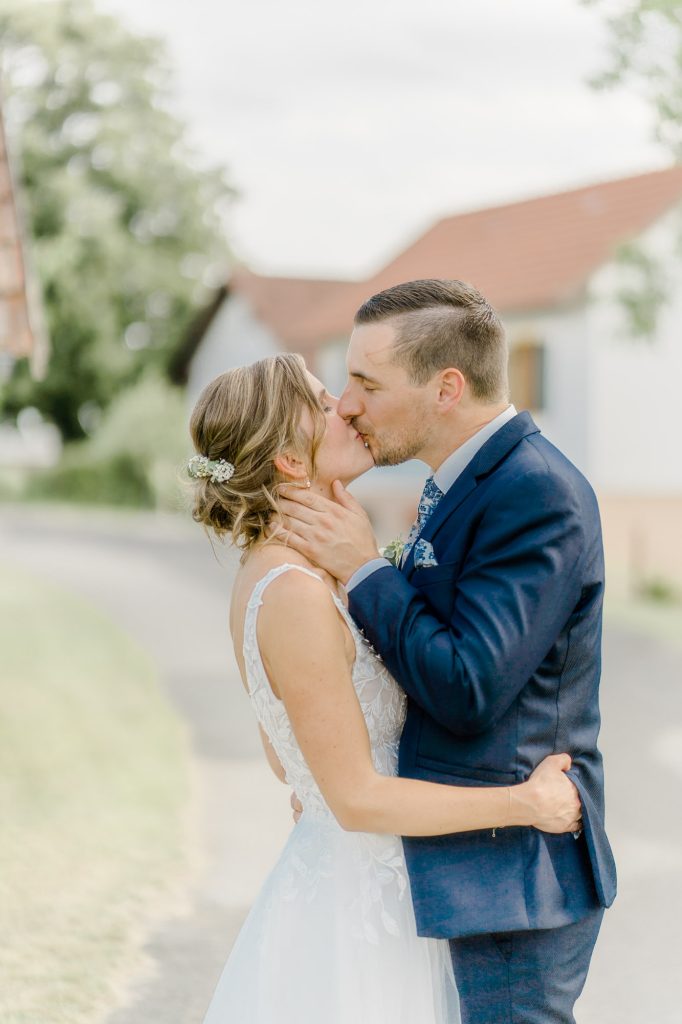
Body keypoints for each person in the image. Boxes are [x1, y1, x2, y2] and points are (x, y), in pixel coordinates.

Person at [187, 352, 582, 1024]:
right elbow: (357, 799)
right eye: (320, 401)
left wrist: (326, 790)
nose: (343, 407)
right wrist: (525, 803)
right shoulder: (294, 596)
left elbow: (289, 760)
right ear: (288, 459)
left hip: (365, 883)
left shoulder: (282, 575)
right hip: (362, 917)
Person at [275, 279, 617, 1024]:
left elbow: (468, 685)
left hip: (512, 884)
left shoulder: (538, 491)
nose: (345, 405)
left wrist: (365, 570)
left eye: (367, 383)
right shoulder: (456, 483)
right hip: (452, 872)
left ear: (446, 388)